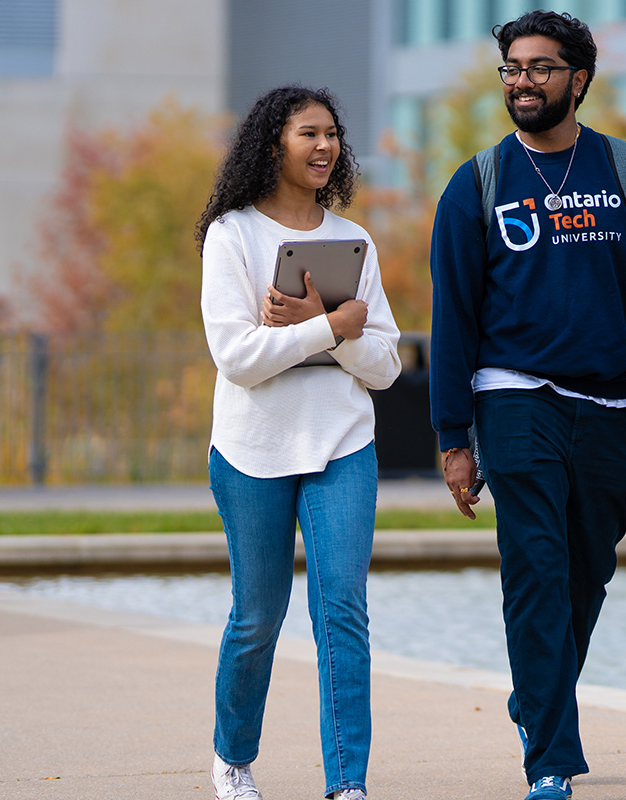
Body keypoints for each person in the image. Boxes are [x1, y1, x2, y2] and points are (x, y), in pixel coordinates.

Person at [427, 10, 626, 800]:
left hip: (607, 401)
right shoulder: (475, 184)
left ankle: (534, 699)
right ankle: (549, 757)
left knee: (589, 564)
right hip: (513, 398)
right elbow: (454, 321)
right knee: (536, 569)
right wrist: (453, 436)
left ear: (578, 78)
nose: (522, 81)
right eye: (511, 68)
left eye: (540, 68)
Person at [195, 85, 402, 800]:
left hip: (342, 444)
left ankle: (347, 782)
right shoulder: (232, 235)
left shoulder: (355, 242)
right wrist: (329, 326)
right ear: (272, 144)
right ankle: (233, 757)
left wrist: (324, 329)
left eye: (332, 134)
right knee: (257, 618)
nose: (325, 146)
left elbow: (386, 363)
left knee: (340, 608)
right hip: (252, 449)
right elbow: (238, 358)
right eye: (308, 133)